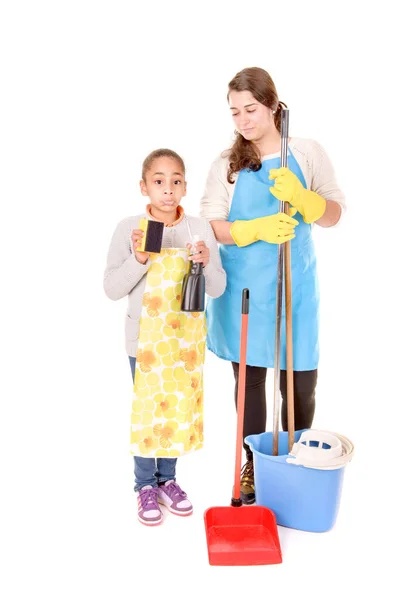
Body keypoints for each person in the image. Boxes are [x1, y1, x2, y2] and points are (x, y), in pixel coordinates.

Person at [200, 67, 346, 504]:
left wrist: (306, 200)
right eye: (235, 112)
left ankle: (294, 461)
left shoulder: (306, 151)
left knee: (300, 385)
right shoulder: (226, 163)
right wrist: (253, 228)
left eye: (251, 109)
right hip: (244, 290)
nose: (243, 120)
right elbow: (212, 225)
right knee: (250, 384)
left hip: (294, 287)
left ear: (273, 105)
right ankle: (252, 467)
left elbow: (335, 214)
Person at [104, 149, 226, 525]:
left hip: (183, 342)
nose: (167, 190)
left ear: (185, 187)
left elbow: (218, 289)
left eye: (175, 182)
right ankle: (145, 485)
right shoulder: (131, 228)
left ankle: (168, 480)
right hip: (143, 340)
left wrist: (205, 262)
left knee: (176, 408)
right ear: (144, 187)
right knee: (147, 410)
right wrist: (140, 257)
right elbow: (111, 288)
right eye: (159, 181)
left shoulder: (198, 228)